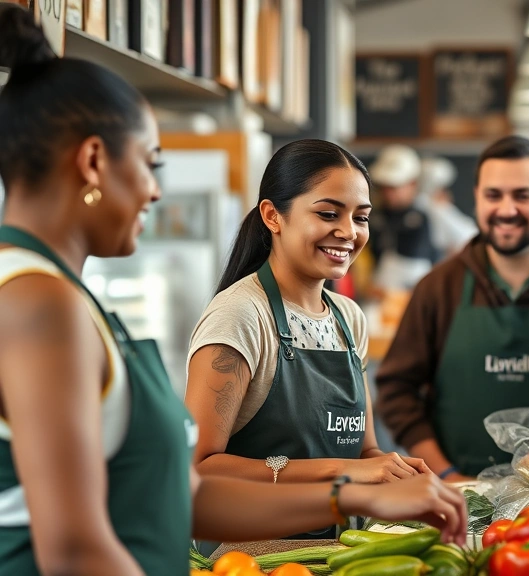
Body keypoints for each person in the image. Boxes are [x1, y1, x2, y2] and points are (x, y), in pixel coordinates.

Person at [0, 6, 465, 575]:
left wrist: (355, 493)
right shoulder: (36, 301)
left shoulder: (64, 296)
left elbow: (184, 497)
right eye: (151, 164)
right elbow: (74, 550)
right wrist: (345, 483)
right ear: (95, 161)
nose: (153, 193)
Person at [185, 139, 432, 542]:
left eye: (362, 217)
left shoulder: (348, 318)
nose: (349, 232)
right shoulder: (242, 315)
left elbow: (364, 452)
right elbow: (198, 467)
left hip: (335, 552)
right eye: (328, 213)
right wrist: (339, 472)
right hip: (250, 559)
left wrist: (398, 471)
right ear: (273, 216)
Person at [376, 136, 529, 482]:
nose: (507, 209)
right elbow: (396, 392)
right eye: (493, 195)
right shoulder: (439, 287)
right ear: (477, 199)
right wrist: (448, 475)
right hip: (459, 499)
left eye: (523, 195)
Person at [367, 144, 439, 291]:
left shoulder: (433, 213)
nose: (388, 194)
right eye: (384, 187)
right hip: (379, 298)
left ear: (412, 183)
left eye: (394, 187)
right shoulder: (375, 216)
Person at [417, 156, 478, 256]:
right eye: (442, 187)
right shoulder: (433, 208)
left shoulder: (437, 206)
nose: (447, 193)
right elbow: (468, 237)